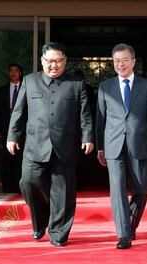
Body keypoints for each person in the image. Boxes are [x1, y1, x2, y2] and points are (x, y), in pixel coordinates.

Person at [7, 42, 94, 247]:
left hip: (65, 146)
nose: (53, 65)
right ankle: (40, 222)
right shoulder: (30, 81)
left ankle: (58, 233)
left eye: (58, 61)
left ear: (65, 61)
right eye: (49, 61)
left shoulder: (76, 84)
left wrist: (88, 137)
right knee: (28, 182)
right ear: (42, 61)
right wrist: (12, 136)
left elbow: (85, 114)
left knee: (63, 193)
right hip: (34, 145)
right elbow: (19, 112)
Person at [96, 43, 147, 249]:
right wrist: (100, 147)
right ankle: (123, 234)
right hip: (113, 145)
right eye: (116, 60)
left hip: (140, 143)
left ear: (133, 61)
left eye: (124, 59)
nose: (120, 64)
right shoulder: (105, 87)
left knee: (141, 190)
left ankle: (131, 224)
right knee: (117, 190)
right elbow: (100, 118)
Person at [0, 63, 23, 193]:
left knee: (20, 157)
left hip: (22, 129)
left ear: (20, 73)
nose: (13, 73)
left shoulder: (25, 88)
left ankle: (19, 185)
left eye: (16, 71)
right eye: (11, 71)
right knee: (7, 157)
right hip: (6, 128)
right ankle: (7, 186)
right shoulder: (2, 90)